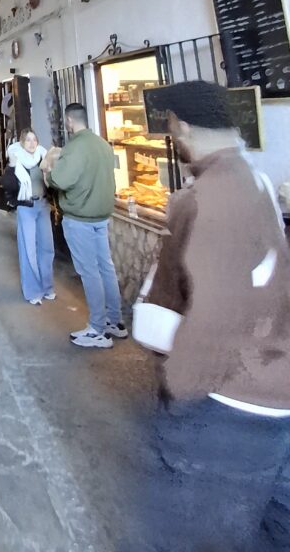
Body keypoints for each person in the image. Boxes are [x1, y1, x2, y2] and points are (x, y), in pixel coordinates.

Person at [126, 80, 290, 552]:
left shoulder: (198, 200)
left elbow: (180, 317)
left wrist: (178, 388)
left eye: (170, 127)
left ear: (180, 124)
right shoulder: (257, 181)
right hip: (278, 397)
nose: (171, 137)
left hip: (224, 405)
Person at [46, 102, 126, 348]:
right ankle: (116, 321)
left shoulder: (75, 148)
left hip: (80, 218)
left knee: (89, 272)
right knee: (106, 267)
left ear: (70, 121)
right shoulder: (102, 144)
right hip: (101, 216)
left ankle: (98, 329)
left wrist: (48, 170)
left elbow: (60, 180)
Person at [8, 128, 55, 306]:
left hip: (42, 205)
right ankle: (33, 291)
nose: (32, 143)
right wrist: (12, 167)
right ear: (21, 142)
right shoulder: (16, 157)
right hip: (26, 207)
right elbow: (9, 184)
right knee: (29, 250)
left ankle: (48, 287)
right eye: (27, 140)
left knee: (46, 247)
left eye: (34, 139)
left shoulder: (44, 156)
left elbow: (51, 182)